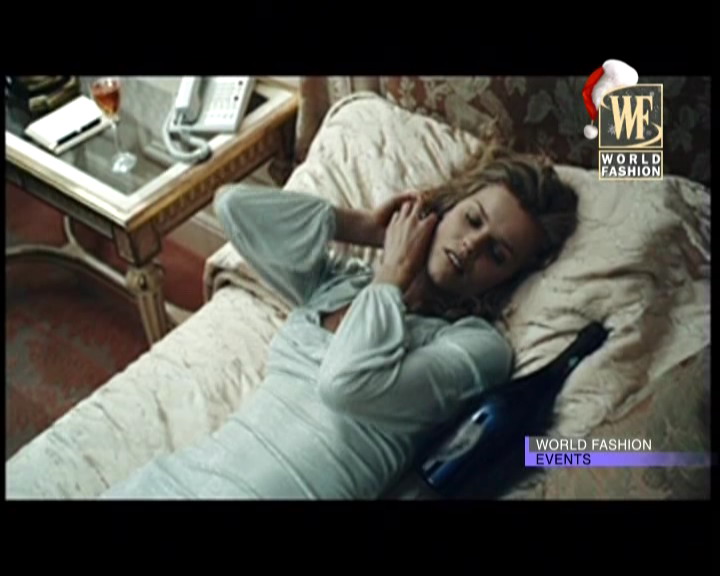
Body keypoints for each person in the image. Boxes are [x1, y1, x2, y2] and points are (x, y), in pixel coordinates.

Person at [101, 145, 578, 500]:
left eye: (497, 253)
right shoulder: (343, 284)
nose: (472, 246)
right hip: (177, 482)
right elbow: (233, 208)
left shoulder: (476, 348)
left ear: (508, 279)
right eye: (472, 219)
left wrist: (393, 277)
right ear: (444, 205)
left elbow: (345, 384)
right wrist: (363, 227)